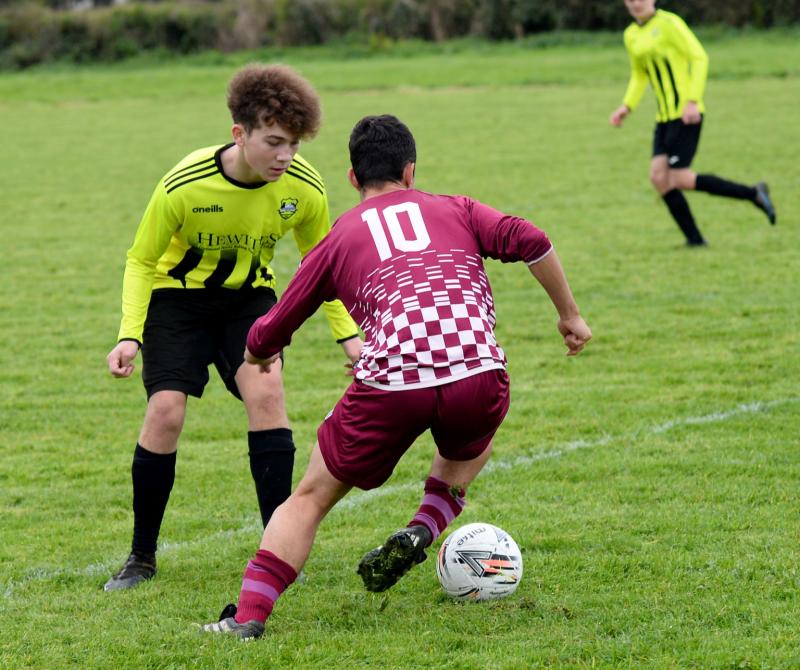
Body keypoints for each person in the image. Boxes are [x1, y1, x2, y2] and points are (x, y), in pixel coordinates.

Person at [201, 114, 592, 639]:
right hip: (477, 370)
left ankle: (247, 620)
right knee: (472, 443)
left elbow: (275, 322)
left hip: (392, 381)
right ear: (411, 171)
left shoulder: (340, 237)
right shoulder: (458, 208)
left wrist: (256, 355)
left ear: (351, 178)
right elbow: (533, 239)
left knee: (312, 496)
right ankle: (424, 526)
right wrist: (568, 315)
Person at [103, 64, 361, 592]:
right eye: (272, 142)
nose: (284, 156)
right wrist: (130, 332)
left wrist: (349, 334)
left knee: (267, 392)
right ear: (238, 134)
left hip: (249, 301)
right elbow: (140, 258)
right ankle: (141, 556)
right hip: (178, 300)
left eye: (292, 143)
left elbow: (323, 267)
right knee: (166, 411)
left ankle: (278, 545)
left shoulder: (303, 187)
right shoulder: (184, 184)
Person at [609, 0, 776, 246]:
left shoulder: (669, 23)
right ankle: (695, 240)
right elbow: (639, 73)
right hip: (664, 118)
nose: (636, 3)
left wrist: (692, 101)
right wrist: (627, 105)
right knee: (658, 177)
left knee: (678, 178)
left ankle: (753, 194)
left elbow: (699, 57)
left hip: (686, 114)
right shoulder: (631, 34)